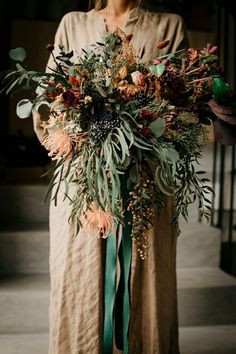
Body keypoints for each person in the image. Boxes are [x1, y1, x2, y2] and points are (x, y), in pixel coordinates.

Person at [33, 1, 189, 353]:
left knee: (147, 281)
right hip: (82, 181)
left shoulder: (168, 26)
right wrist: (75, 125)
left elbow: (182, 109)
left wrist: (140, 127)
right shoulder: (73, 24)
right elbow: (49, 100)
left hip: (145, 177)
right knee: (79, 275)